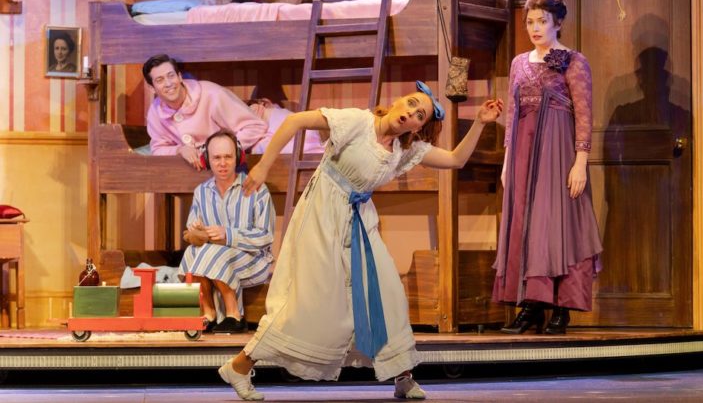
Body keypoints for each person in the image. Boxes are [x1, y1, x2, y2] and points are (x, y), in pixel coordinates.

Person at [217, 81, 502, 400]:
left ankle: (402, 375)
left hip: (360, 222)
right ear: (397, 102)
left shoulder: (406, 149)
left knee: (387, 293)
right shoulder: (357, 121)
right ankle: (240, 366)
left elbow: (455, 160)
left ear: (419, 127)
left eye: (419, 115)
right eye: (411, 104)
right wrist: (264, 166)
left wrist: (479, 122)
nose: (411, 113)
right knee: (308, 301)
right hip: (321, 215)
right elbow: (295, 120)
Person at [493, 0, 603, 335]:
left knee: (556, 225)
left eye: (542, 21)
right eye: (530, 22)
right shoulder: (518, 63)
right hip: (524, 154)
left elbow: (584, 114)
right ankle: (531, 304)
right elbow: (512, 114)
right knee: (526, 224)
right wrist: (507, 161)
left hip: (558, 153)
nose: (535, 28)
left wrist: (580, 162)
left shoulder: (574, 60)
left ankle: (561, 307)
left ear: (558, 23)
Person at [178, 130, 275, 333]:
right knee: (191, 252)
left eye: (228, 157)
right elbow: (191, 232)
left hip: (254, 260)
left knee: (215, 252)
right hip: (213, 258)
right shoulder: (201, 192)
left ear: (237, 157)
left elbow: (266, 236)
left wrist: (228, 235)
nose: (223, 163)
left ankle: (234, 315)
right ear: (207, 159)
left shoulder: (258, 189)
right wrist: (197, 233)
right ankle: (209, 313)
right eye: (217, 158)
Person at [143, 54, 268, 168]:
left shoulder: (213, 95)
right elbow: (158, 149)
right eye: (160, 80)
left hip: (236, 156)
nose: (168, 83)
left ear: (179, 77)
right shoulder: (155, 111)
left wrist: (218, 151)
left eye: (171, 76)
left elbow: (255, 127)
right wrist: (179, 150)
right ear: (151, 88)